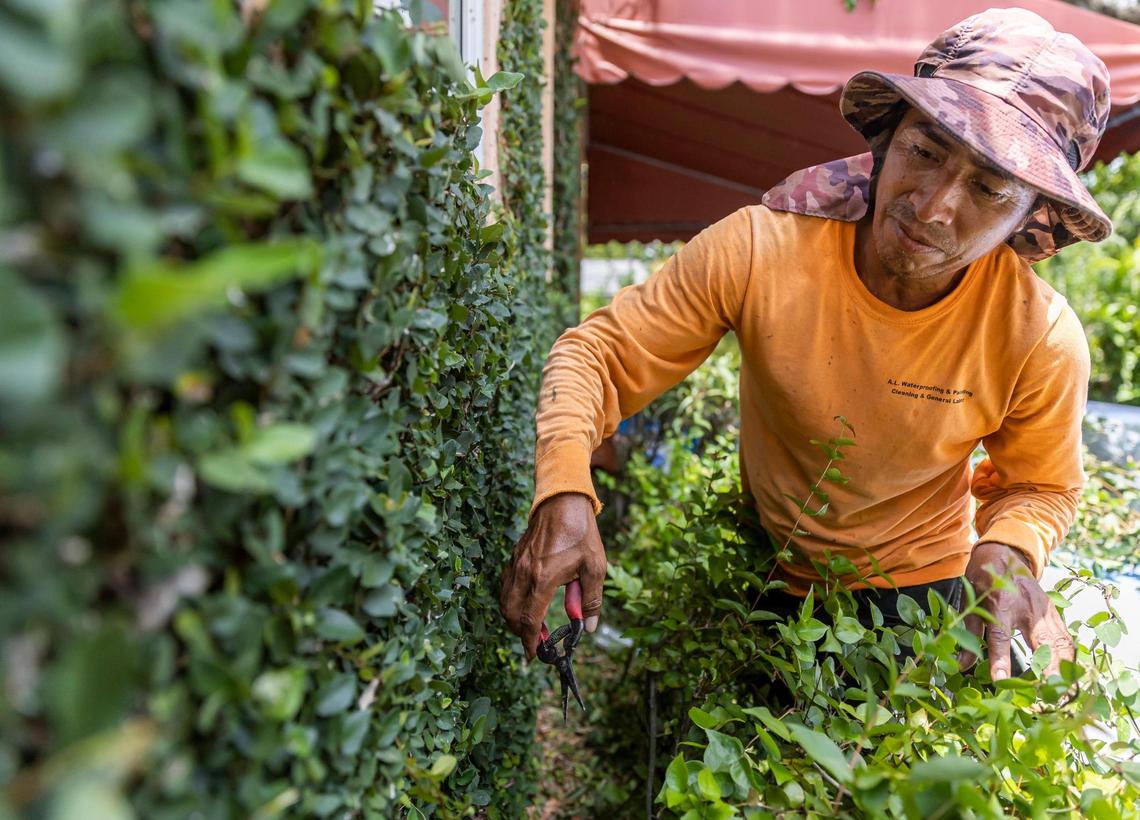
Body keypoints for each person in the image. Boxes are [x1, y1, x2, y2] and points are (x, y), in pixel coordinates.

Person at [500, 8, 1112, 681]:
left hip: (922, 596)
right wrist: (563, 490)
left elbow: (1040, 484)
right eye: (926, 150)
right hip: (765, 576)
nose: (934, 206)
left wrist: (1008, 552)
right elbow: (599, 356)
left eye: (990, 188)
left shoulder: (1039, 337)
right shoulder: (761, 248)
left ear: (1032, 219)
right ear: (889, 137)